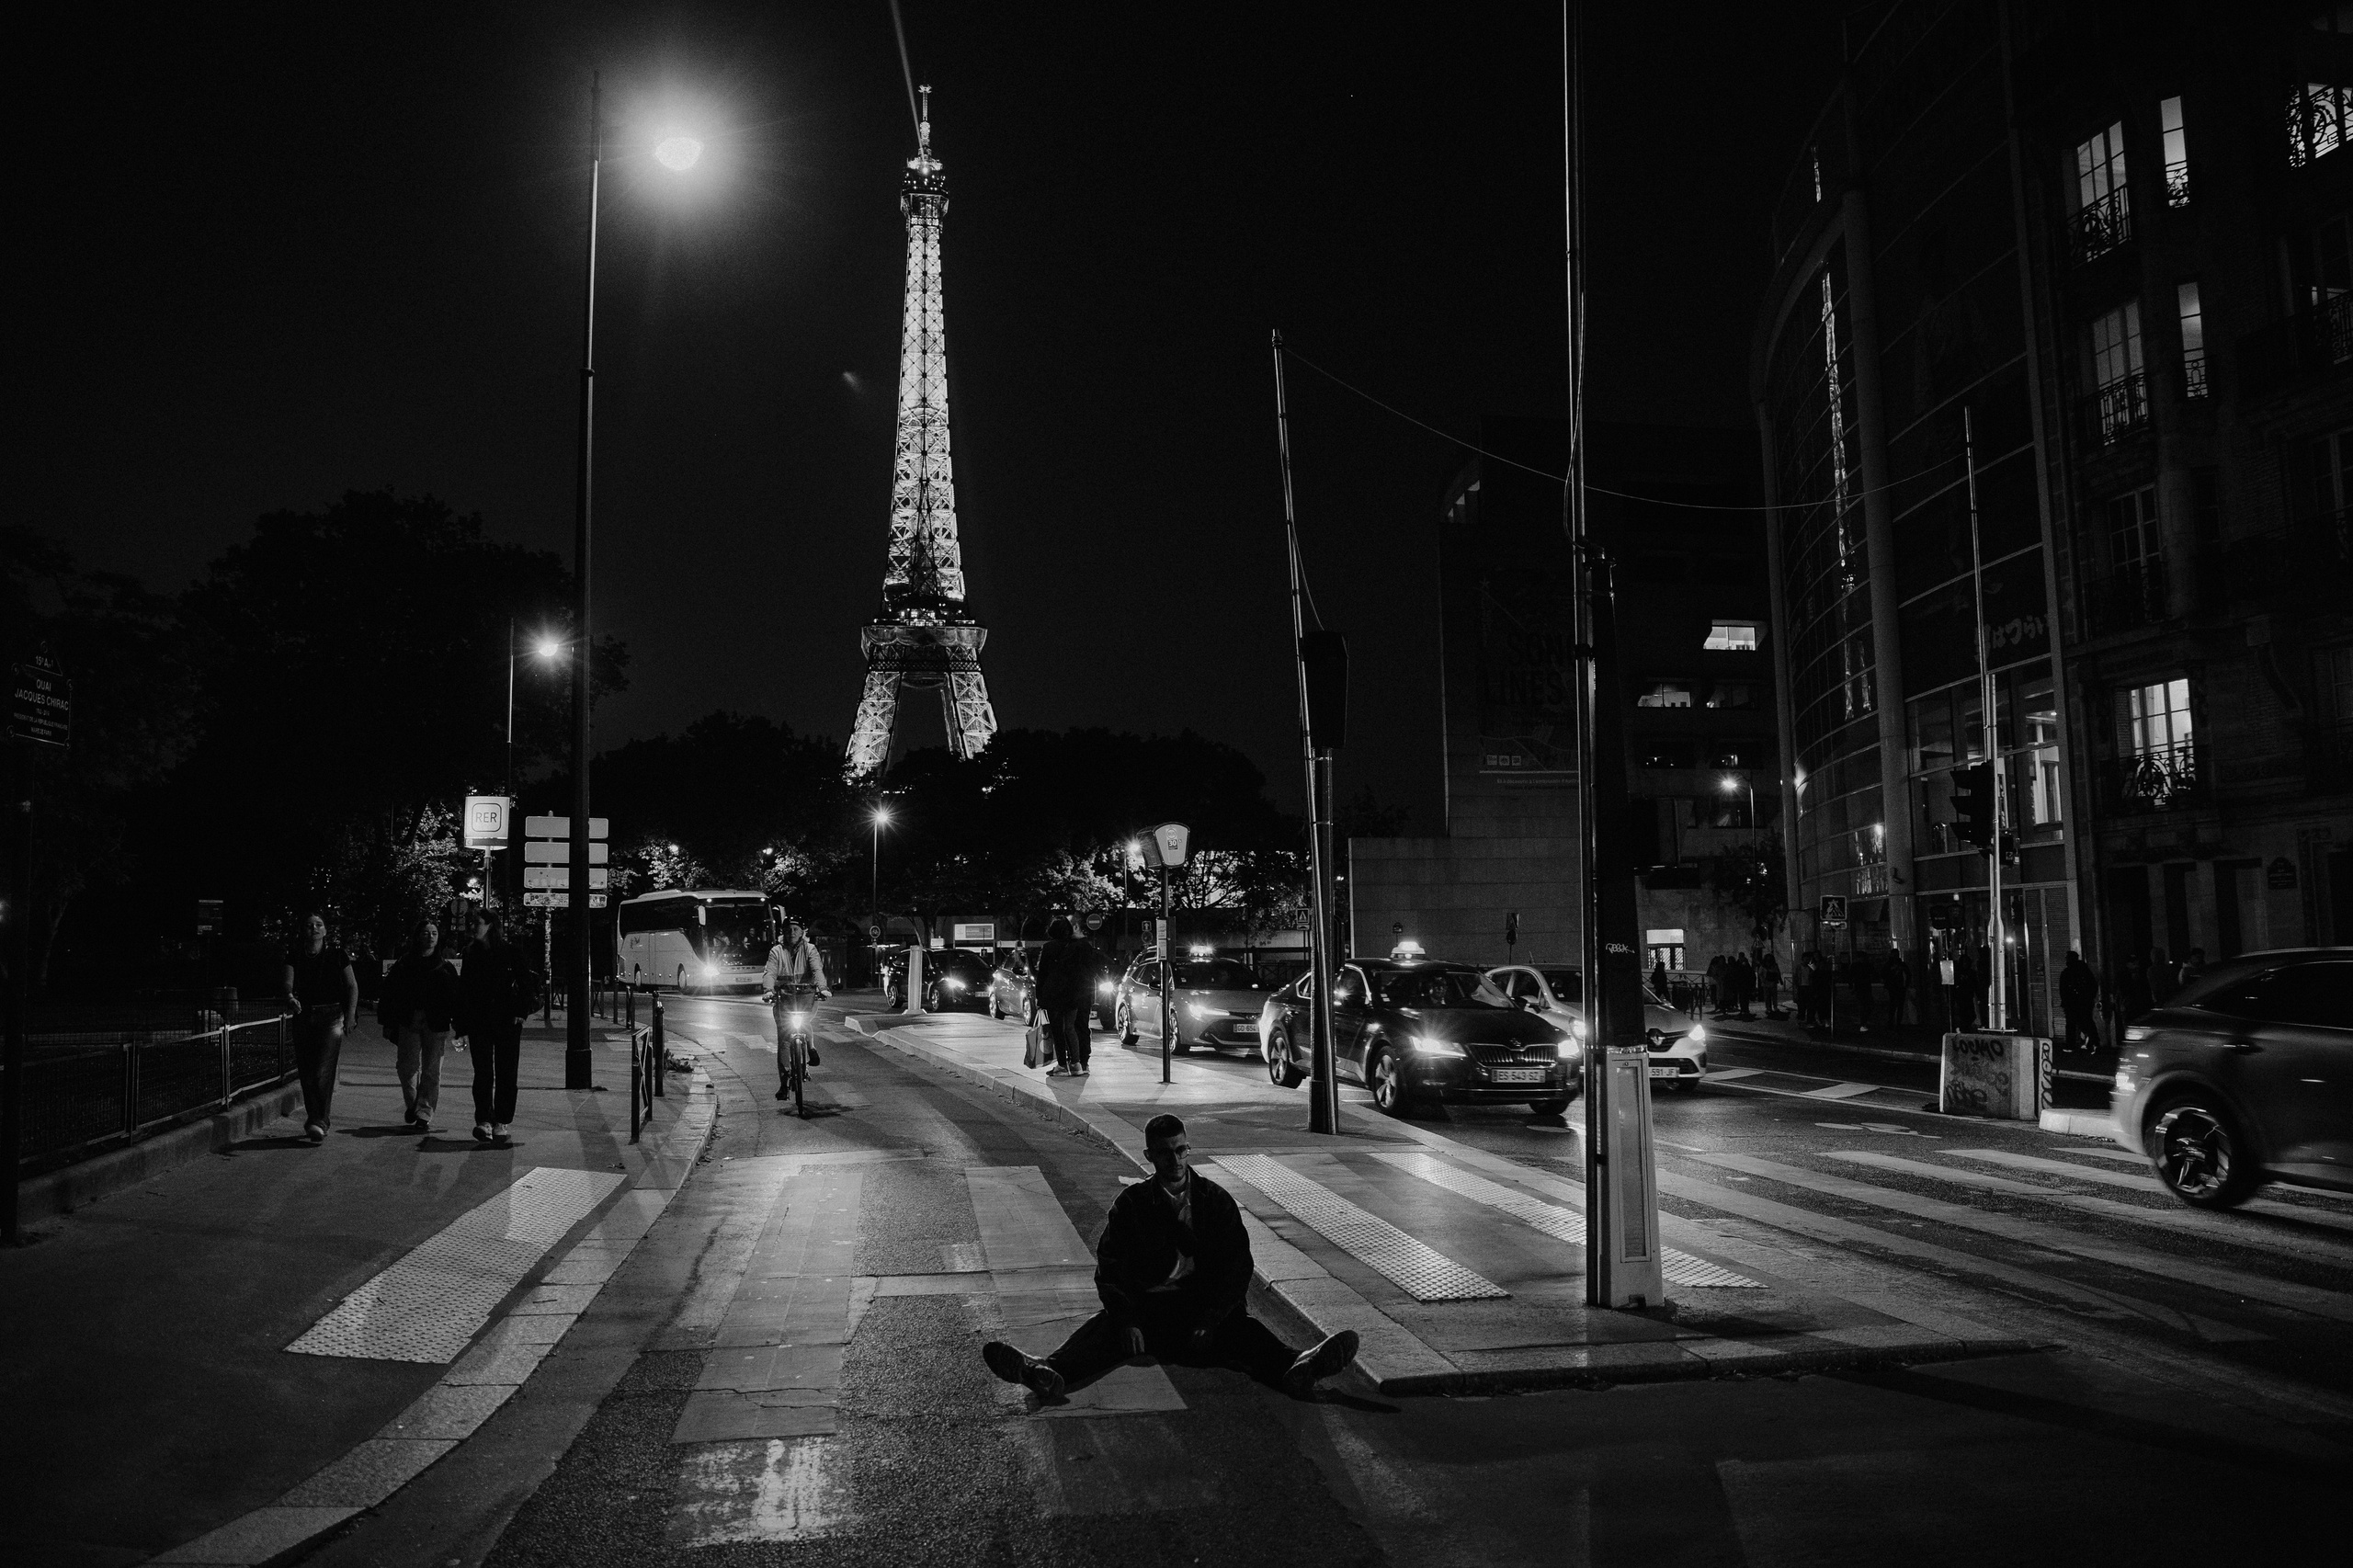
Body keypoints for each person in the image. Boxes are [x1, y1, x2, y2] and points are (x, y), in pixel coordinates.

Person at [980, 1113, 1359, 1402]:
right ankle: (1044, 1371)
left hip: (1201, 1310)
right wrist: (1127, 1319)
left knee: (1244, 1334)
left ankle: (1299, 1365)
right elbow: (1110, 1269)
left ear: (1187, 1149)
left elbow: (1237, 1267)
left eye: (1181, 1151)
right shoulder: (1131, 1205)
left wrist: (1212, 1318)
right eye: (1165, 1153)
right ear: (1150, 1156)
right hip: (1150, 1310)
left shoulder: (1215, 1201)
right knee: (1103, 1332)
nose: (1176, 1161)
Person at [456, 909, 537, 1144]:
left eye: (477, 923)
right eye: (472, 923)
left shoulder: (511, 952)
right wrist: (461, 1025)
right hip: (480, 1020)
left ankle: (501, 1121)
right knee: (482, 1072)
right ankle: (484, 1121)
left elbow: (526, 984)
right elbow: (465, 990)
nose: (473, 927)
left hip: (506, 1020)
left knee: (506, 1073)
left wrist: (521, 1012)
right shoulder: (470, 953)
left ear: (491, 926)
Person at [282, 913, 358, 1144]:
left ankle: (319, 1122)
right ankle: (314, 1119)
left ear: (325, 931)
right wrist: (289, 997)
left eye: (319, 925)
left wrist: (350, 1015)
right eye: (308, 925)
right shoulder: (295, 955)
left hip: (331, 1016)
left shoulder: (337, 955)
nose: (314, 929)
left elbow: (352, 985)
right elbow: (287, 982)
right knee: (306, 1071)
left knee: (322, 1070)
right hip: (304, 1016)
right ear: (302, 931)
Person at [381, 920, 459, 1131]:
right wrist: (388, 1022)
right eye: (425, 933)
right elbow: (390, 993)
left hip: (437, 1023)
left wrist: (459, 1024)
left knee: (432, 1069)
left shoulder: (445, 966)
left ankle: (424, 1112)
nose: (430, 937)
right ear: (417, 937)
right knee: (407, 1067)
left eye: (434, 933)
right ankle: (413, 1103)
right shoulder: (405, 964)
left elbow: (455, 997)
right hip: (409, 1020)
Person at [761, 917, 831, 1098]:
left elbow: (817, 971)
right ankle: (784, 1084)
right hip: (784, 998)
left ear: (802, 932)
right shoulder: (776, 951)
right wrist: (769, 990)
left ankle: (810, 1047)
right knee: (784, 1040)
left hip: (806, 997)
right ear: (783, 932)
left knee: (805, 1020)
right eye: (788, 929)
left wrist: (822, 988)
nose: (791, 933)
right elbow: (770, 972)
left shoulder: (810, 949)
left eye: (795, 929)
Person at [1032, 917, 1100, 1076]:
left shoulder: (1049, 947)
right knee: (1071, 1028)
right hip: (1073, 995)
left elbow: (1042, 974)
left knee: (1057, 1030)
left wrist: (1039, 996)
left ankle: (1063, 1065)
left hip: (1054, 994)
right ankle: (1077, 1063)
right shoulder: (1076, 946)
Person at [2059, 950, 2101, 1053]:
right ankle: (2094, 1043)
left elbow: (2063, 990)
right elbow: (2093, 986)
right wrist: (2089, 997)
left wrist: (2066, 1002)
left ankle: (2072, 1045)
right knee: (2087, 1022)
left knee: (2072, 1025)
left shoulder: (2068, 973)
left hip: (2074, 1003)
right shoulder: (2084, 971)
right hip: (2083, 1002)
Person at [1883, 946, 1909, 1028]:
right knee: (1897, 1005)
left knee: (1894, 1005)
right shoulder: (1899, 964)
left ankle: (1893, 1022)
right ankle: (1896, 1022)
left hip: (1895, 987)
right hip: (1897, 986)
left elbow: (1883, 974)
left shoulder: (1890, 964)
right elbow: (1908, 974)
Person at [1759, 949, 1781, 1017]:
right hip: (1767, 983)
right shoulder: (1765, 966)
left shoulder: (1772, 966)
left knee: (1771, 996)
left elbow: (1777, 973)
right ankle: (1770, 1008)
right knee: (1768, 997)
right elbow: (1760, 974)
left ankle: (1772, 1008)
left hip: (1771, 983)